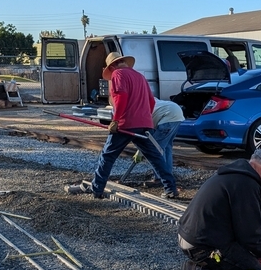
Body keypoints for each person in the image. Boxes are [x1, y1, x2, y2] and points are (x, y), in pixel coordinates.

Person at [69, 52, 180, 199]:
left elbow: (121, 97)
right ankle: (171, 189)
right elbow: (151, 101)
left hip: (125, 124)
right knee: (155, 157)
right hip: (144, 124)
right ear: (124, 62)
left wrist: (116, 120)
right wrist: (145, 118)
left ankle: (97, 189)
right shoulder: (140, 76)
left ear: (112, 66)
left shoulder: (118, 74)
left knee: (108, 156)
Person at [150, 98, 185, 174]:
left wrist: (139, 152)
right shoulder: (149, 99)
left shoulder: (139, 108)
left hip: (167, 116)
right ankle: (168, 174)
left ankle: (160, 177)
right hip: (176, 112)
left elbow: (145, 132)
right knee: (167, 146)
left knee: (156, 148)